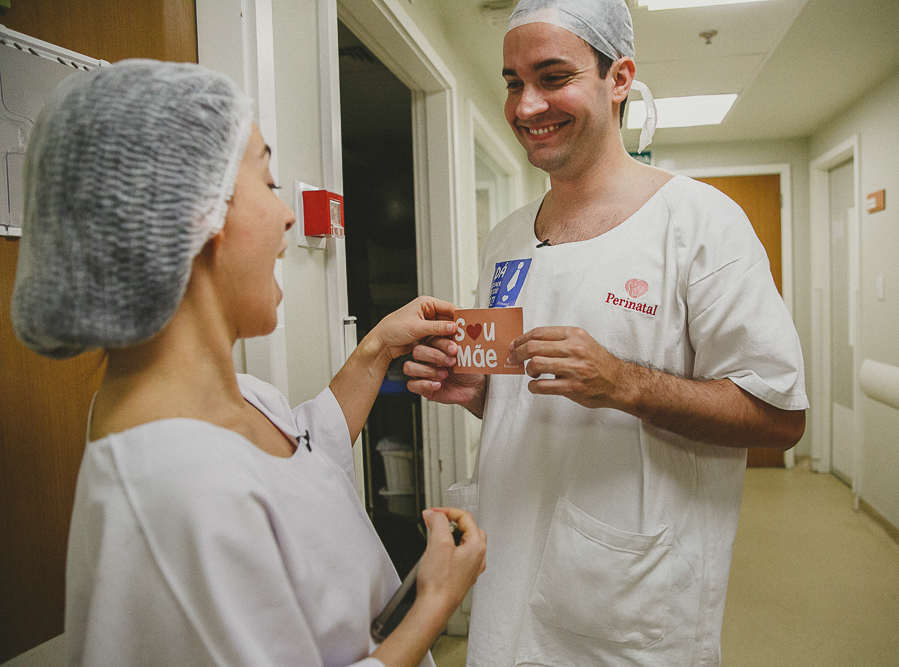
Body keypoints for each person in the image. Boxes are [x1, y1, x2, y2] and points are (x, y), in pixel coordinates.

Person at [10, 59, 486, 667]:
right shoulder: (173, 488)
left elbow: (303, 459)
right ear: (193, 209)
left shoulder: (241, 397)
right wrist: (434, 604)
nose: (288, 213)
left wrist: (379, 348)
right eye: (266, 182)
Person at [405, 0, 808, 664]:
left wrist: (628, 383)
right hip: (507, 574)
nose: (525, 105)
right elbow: (533, 403)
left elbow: (780, 417)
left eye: (552, 76)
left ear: (617, 78)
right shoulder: (508, 236)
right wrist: (480, 391)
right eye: (512, 81)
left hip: (632, 603)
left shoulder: (701, 224)